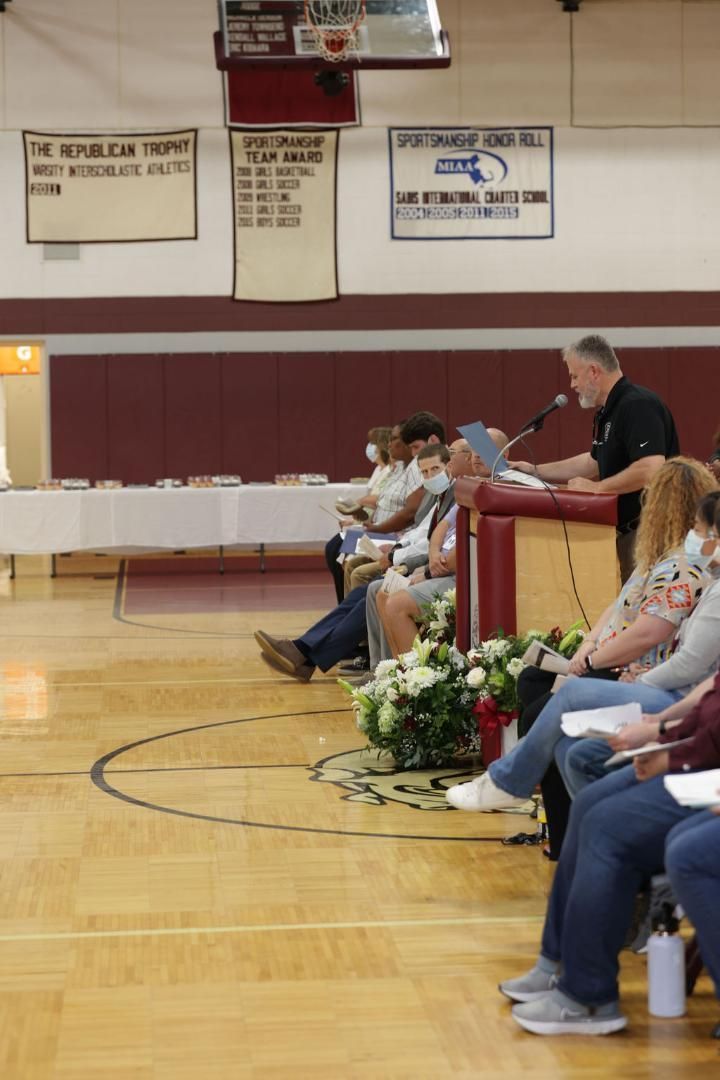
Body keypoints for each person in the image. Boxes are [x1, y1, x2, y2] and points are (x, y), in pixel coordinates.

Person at [445, 458, 716, 815]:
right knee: (540, 694)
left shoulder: (685, 565)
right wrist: (588, 645)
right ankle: (572, 834)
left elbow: (663, 639)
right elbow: (619, 605)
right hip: (639, 673)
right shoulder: (662, 558)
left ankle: (509, 783)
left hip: (649, 678)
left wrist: (602, 665)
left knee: (560, 701)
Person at [499, 674, 720, 1036]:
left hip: (706, 767)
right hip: (698, 754)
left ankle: (588, 994)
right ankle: (554, 962)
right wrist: (664, 737)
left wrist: (672, 755)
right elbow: (714, 697)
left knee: (607, 827)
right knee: (587, 803)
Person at [253, 442, 455, 682]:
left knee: (373, 588)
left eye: (435, 470)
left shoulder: (456, 497)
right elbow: (422, 534)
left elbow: (431, 543)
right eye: (425, 472)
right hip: (409, 555)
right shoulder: (440, 496)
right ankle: (304, 650)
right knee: (362, 591)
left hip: (424, 567)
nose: (430, 476)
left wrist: (394, 556)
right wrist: (396, 549)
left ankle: (307, 655)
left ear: (450, 465)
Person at [511, 335, 679, 581]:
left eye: (574, 376)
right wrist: (535, 470)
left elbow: (652, 468)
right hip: (629, 533)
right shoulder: (608, 411)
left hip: (650, 530)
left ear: (593, 371)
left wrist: (598, 488)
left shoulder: (637, 405)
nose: (571, 384)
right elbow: (593, 462)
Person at [365, 428, 508, 671]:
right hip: (441, 564)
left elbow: (471, 546)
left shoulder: (502, 490)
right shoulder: (473, 486)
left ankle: (417, 680)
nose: (476, 457)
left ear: (504, 454)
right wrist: (433, 554)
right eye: (473, 451)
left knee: (396, 604)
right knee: (382, 593)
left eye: (483, 451)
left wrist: (430, 571)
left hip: (463, 575)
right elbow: (442, 527)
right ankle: (394, 673)